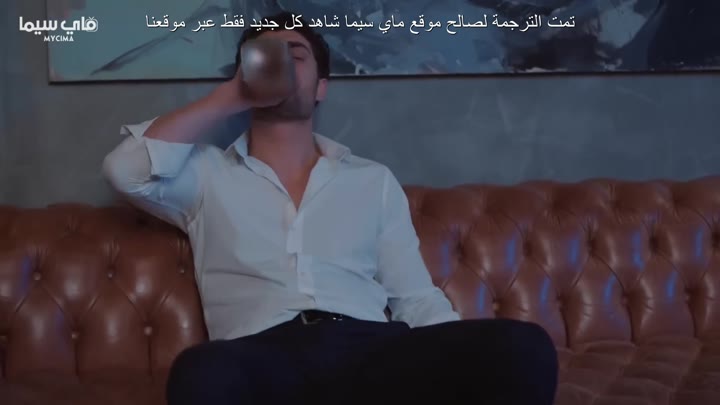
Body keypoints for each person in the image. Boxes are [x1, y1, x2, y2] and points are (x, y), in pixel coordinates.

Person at [102, 11, 558, 405]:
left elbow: (415, 297)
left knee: (523, 346)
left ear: (321, 87)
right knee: (199, 374)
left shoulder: (371, 179)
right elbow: (125, 170)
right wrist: (233, 96)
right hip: (261, 354)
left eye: (294, 56)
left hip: (369, 349)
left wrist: (453, 351)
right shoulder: (205, 175)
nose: (279, 65)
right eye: (265, 57)